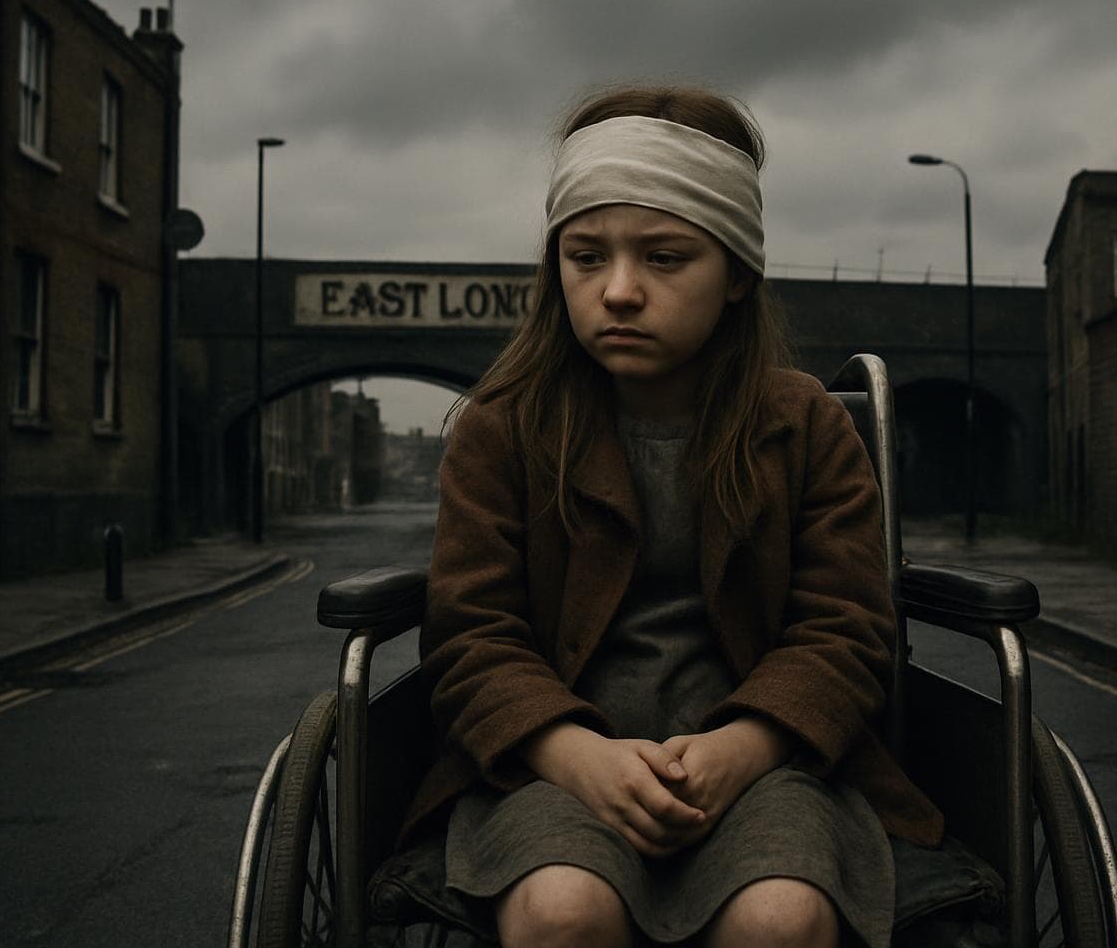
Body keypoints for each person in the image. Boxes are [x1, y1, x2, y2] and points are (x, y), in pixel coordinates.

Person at [396, 85, 945, 948]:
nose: (618, 291)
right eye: (586, 256)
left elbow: (845, 628)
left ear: (737, 273)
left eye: (664, 257)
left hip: (766, 767)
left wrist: (744, 746)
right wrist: (576, 755)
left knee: (780, 921)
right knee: (562, 912)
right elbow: (471, 633)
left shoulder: (806, 427)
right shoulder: (503, 429)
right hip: (548, 769)